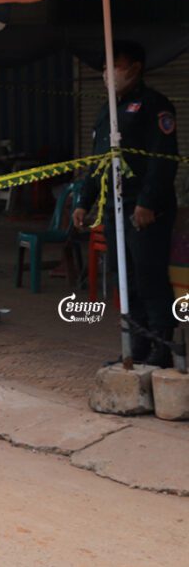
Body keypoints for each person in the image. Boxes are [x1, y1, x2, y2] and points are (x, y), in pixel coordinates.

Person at [73, 40, 179, 368]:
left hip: (145, 211)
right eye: (105, 67)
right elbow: (98, 161)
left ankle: (162, 345)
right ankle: (136, 345)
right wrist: (83, 200)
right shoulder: (108, 109)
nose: (107, 73)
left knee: (149, 276)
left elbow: (164, 161)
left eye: (113, 66)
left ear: (134, 68)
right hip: (113, 208)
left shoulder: (155, 106)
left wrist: (147, 202)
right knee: (125, 279)